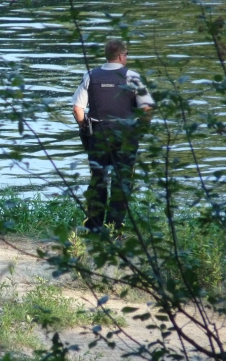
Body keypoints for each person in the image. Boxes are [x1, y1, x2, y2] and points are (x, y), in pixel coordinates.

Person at [72, 39, 154, 234]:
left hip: (97, 134)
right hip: (125, 135)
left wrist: (85, 128)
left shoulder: (91, 75)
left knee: (98, 178)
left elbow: (77, 109)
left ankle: (94, 225)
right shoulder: (132, 76)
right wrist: (140, 129)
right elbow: (147, 108)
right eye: (126, 55)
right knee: (122, 179)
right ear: (121, 56)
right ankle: (116, 225)